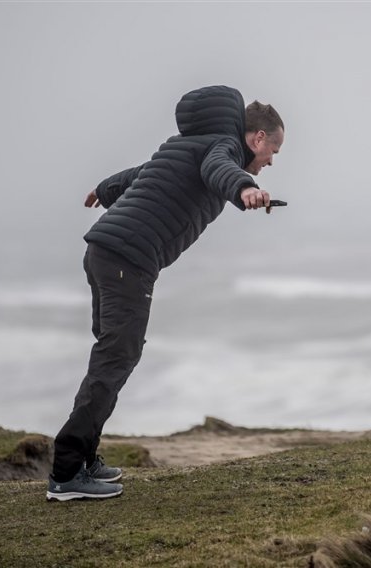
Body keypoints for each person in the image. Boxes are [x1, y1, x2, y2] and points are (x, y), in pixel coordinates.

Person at [46, 85, 284, 501]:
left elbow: (144, 171)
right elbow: (220, 171)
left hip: (103, 251)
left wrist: (104, 189)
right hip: (127, 260)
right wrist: (244, 188)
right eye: (273, 150)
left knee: (111, 357)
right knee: (115, 359)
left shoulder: (186, 144)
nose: (271, 161)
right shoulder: (223, 149)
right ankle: (66, 474)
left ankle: (85, 459)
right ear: (258, 138)